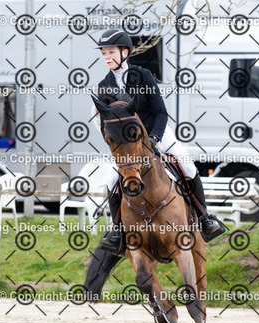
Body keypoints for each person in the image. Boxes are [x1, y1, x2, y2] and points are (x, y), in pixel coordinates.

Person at [95, 29, 224, 255]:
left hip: (157, 133)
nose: (107, 57)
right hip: (128, 145)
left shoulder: (143, 75)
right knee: (111, 180)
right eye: (104, 53)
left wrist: (154, 138)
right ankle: (117, 232)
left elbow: (161, 112)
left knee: (187, 166)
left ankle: (204, 218)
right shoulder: (104, 86)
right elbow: (107, 125)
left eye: (111, 52)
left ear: (125, 53)